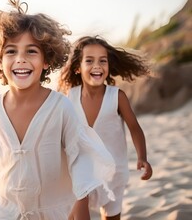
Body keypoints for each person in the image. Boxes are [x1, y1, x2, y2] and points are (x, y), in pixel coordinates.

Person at [0, 0, 116, 220]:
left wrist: (81, 203)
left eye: (31, 51)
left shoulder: (61, 107)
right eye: (11, 52)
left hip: (52, 211)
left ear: (47, 60)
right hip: (6, 211)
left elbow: (78, 156)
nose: (20, 59)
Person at [58, 35, 153, 220]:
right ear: (78, 67)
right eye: (89, 60)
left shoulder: (117, 96)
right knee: (76, 212)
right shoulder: (69, 97)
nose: (97, 65)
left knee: (111, 217)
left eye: (103, 61)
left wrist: (143, 157)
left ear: (108, 67)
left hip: (114, 171)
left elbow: (134, 127)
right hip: (81, 170)